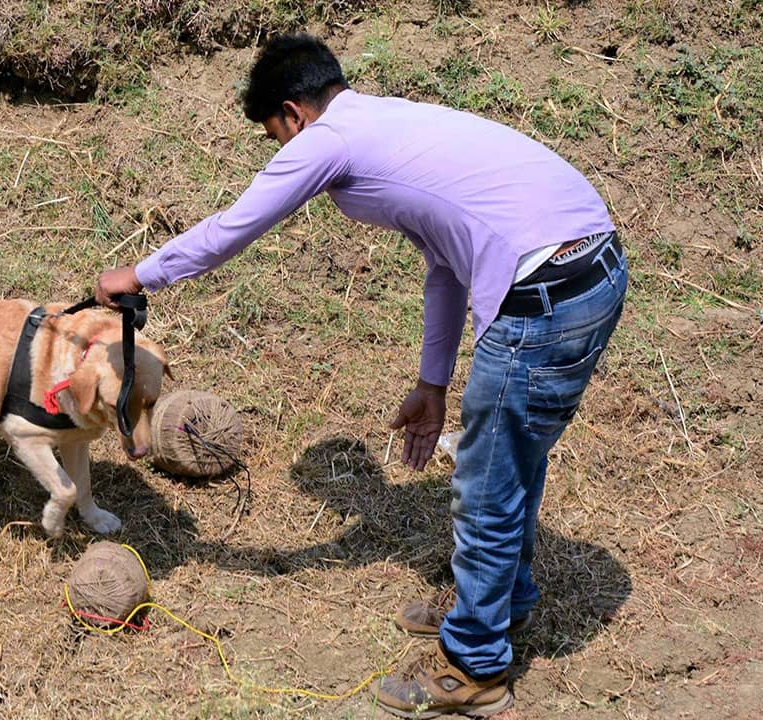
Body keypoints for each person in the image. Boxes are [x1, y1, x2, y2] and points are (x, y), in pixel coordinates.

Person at [94, 33, 627, 717]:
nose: (283, 153)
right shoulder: (392, 118)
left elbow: (233, 229)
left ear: (294, 114)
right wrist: (433, 384)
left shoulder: (328, 140)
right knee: (511, 462)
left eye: (275, 139)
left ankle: (475, 668)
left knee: (489, 483)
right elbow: (445, 262)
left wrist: (138, 274)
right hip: (592, 271)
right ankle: (499, 601)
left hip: (546, 291)